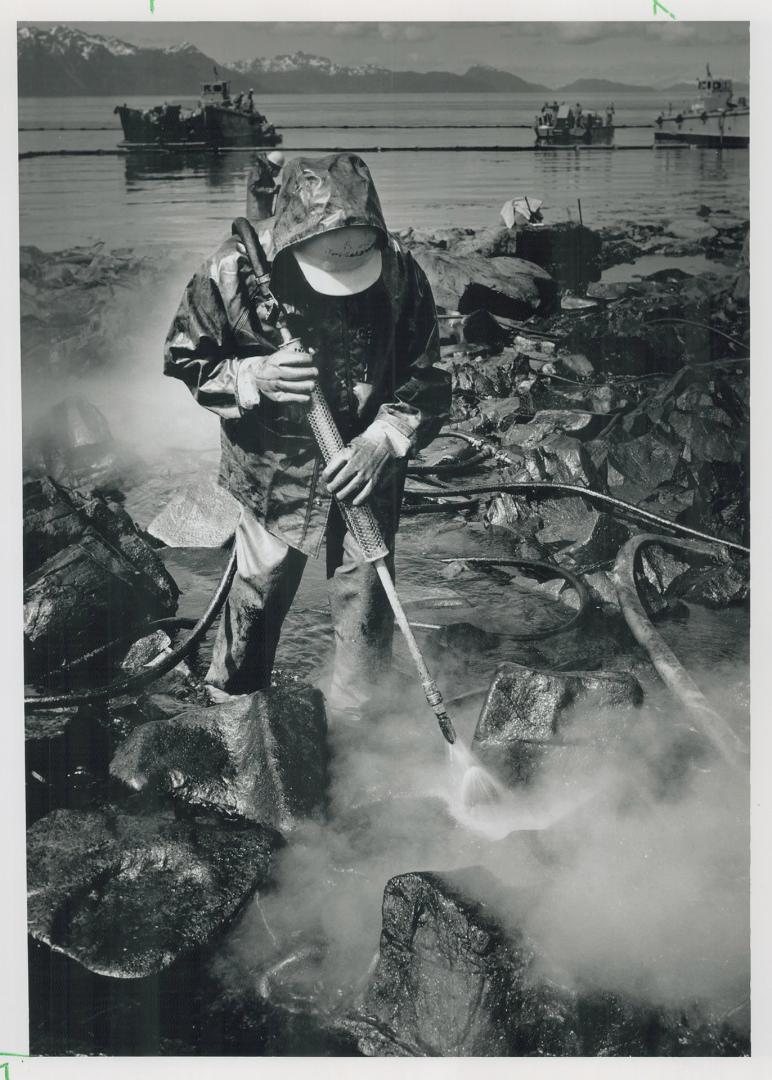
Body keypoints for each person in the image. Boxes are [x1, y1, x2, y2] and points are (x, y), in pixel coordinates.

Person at [164, 152, 451, 721]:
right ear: (292, 240)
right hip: (273, 469)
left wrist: (384, 439)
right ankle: (234, 711)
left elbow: (428, 377)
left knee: (368, 602)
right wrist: (253, 375)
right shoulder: (232, 272)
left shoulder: (397, 270)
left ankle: (361, 732)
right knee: (259, 591)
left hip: (367, 467)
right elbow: (186, 359)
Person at [245, 150, 285, 220]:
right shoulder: (257, 170)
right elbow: (252, 187)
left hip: (265, 216)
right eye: (278, 169)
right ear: (272, 167)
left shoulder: (267, 176)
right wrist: (271, 190)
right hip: (256, 217)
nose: (278, 173)